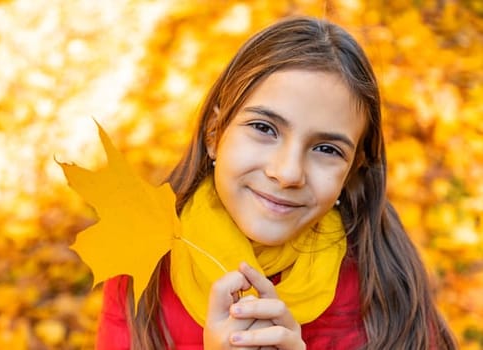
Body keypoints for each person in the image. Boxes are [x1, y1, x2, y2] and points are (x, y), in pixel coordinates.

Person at [94, 17, 458, 349]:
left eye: (326, 149)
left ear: (352, 171)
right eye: (264, 128)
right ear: (214, 133)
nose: (287, 173)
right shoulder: (147, 270)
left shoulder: (385, 290)